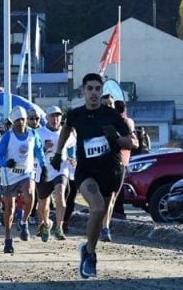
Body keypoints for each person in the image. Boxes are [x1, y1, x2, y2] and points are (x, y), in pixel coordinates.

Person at [51, 73, 137, 279]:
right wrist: (57, 153)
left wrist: (115, 137)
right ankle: (91, 255)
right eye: (90, 89)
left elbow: (134, 143)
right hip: (86, 172)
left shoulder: (112, 116)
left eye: (98, 89)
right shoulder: (75, 114)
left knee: (99, 216)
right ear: (83, 91)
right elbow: (65, 130)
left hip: (111, 172)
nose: (94, 93)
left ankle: (88, 248)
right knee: (97, 208)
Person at [0, 106, 46, 253]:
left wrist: (44, 165)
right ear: (13, 122)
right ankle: (8, 238)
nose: (21, 123)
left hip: (26, 173)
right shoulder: (8, 136)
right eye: (17, 120)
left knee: (29, 196)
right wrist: (6, 163)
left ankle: (24, 222)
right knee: (9, 209)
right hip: (9, 175)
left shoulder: (32, 134)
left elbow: (39, 151)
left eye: (22, 119)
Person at [100, 100, 137, 241]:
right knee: (98, 199)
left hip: (117, 162)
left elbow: (134, 142)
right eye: (105, 104)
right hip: (94, 164)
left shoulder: (122, 122)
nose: (108, 106)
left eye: (110, 104)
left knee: (111, 198)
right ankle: (99, 223)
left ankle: (105, 228)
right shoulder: (90, 121)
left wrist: (117, 137)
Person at [36, 106, 71, 241]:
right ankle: (46, 223)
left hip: (61, 169)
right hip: (44, 170)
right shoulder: (39, 133)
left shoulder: (66, 132)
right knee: (43, 203)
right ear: (46, 118)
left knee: (60, 194)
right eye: (52, 116)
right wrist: (44, 149)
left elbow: (72, 147)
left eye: (57, 116)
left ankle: (59, 227)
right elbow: (33, 153)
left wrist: (72, 159)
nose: (55, 119)